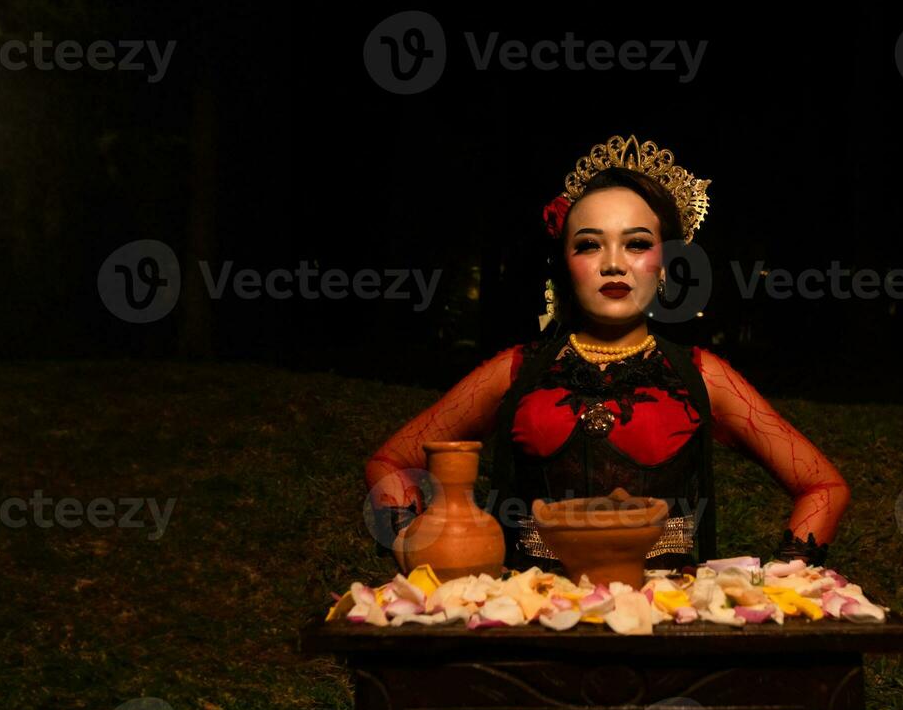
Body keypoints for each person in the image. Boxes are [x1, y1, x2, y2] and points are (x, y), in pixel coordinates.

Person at [364, 135, 850, 572]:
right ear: (565, 265)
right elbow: (391, 461)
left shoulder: (703, 376)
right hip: (531, 623)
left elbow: (823, 486)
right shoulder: (516, 371)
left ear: (664, 265)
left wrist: (789, 577)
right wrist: (418, 550)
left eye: (637, 244)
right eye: (589, 245)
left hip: (663, 628)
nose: (613, 263)